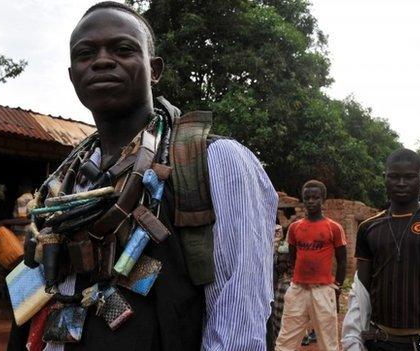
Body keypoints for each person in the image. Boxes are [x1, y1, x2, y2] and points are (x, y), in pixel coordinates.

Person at [22, 3, 278, 350]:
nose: (101, 61)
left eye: (122, 49)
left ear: (154, 69)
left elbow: (237, 311)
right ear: (73, 76)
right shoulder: (67, 182)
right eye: (86, 54)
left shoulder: (214, 160)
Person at [342, 149, 420, 351]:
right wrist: (355, 338)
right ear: (385, 178)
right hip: (379, 338)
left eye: (409, 177)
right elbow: (361, 288)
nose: (402, 183)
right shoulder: (368, 227)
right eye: (395, 176)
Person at [275, 180, 347, 351]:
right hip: (298, 289)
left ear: (323, 199)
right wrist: (295, 278)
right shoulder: (294, 228)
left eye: (315, 198)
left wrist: (337, 287)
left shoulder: (334, 228)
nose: (310, 201)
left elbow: (342, 260)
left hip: (322, 290)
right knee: (285, 340)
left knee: (328, 342)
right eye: (307, 198)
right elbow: (293, 256)